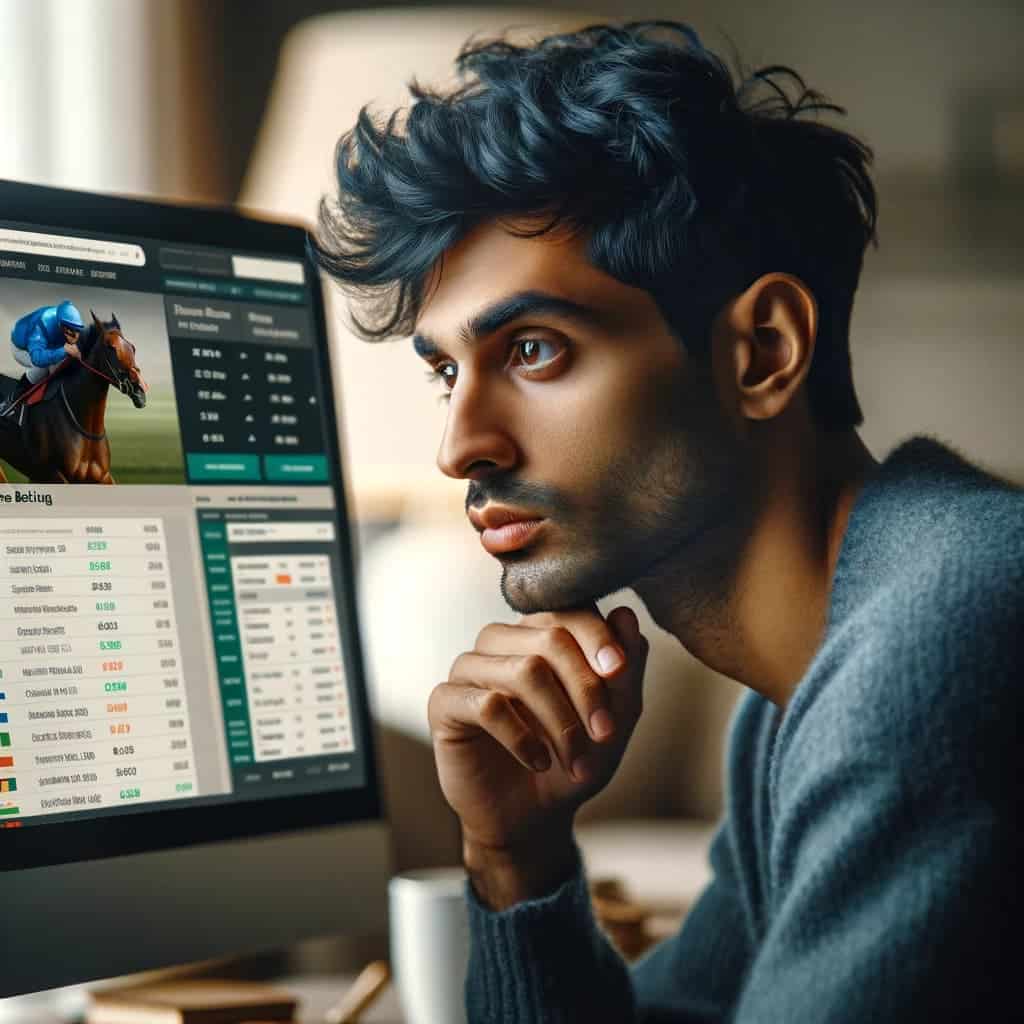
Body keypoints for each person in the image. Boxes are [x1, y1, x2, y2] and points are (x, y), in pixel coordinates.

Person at [310, 19, 1023, 1022]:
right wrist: (517, 859)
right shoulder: (800, 691)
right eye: (445, 373)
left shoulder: (929, 654)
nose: (460, 445)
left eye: (533, 351)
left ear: (762, 352)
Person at [1, 299, 84, 414]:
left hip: (48, 345)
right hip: (22, 347)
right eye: (71, 330)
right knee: (41, 369)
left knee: (60, 367)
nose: (74, 335)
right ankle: (11, 402)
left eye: (77, 330)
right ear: (60, 324)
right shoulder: (42, 324)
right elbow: (37, 359)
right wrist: (64, 350)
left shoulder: (68, 324)